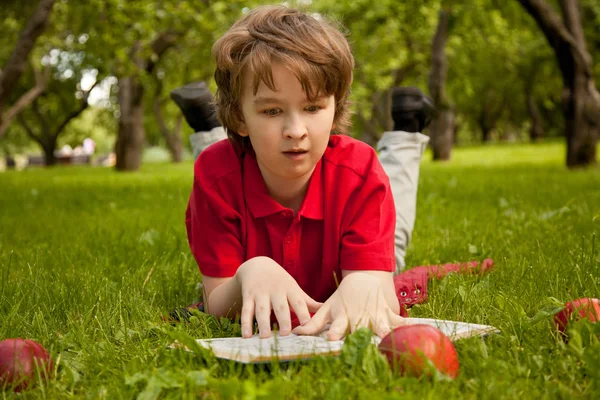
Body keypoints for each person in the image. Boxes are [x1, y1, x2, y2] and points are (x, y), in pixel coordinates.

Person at [185, 5, 404, 341]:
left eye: (313, 107)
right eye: (272, 110)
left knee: (397, 245)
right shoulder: (215, 177)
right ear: (240, 117)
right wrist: (247, 275)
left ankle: (407, 134)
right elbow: (216, 302)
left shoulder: (360, 172)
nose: (296, 130)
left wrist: (364, 281)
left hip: (364, 238)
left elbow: (383, 297)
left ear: (336, 106)